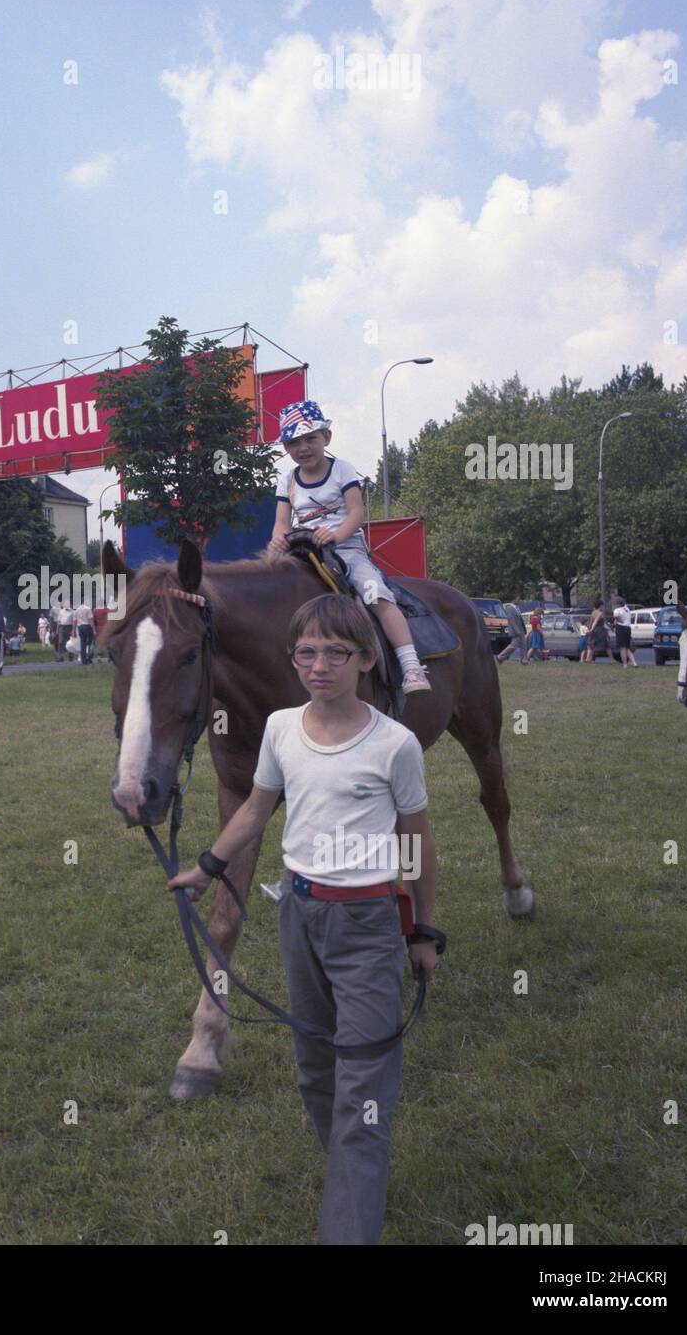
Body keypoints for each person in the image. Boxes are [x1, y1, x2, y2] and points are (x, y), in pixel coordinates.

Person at [168, 593, 440, 1245]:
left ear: (368, 660)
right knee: (316, 1069)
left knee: (362, 1085)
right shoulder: (283, 728)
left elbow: (417, 843)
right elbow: (257, 810)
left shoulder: (396, 744)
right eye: (307, 652)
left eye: (336, 652)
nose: (319, 665)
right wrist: (208, 864)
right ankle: (354, 1174)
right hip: (299, 914)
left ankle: (348, 1216)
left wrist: (423, 927)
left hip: (368, 925)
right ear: (292, 659)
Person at [270, 402, 431, 694]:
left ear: (326, 438)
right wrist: (278, 540)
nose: (303, 447)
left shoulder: (341, 469)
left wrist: (335, 535)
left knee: (374, 592)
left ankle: (411, 666)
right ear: (286, 447)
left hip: (346, 549)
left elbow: (356, 512)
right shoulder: (287, 480)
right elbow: (281, 522)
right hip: (303, 549)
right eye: (294, 442)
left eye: (310, 438)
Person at [613, 597, 637, 668]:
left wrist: (619, 621)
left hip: (621, 628)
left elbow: (616, 616)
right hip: (628, 628)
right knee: (627, 647)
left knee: (622, 648)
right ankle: (634, 663)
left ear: (618, 604)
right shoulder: (627, 609)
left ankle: (625, 664)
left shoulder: (617, 610)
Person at [75, 600, 95, 665]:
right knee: (90, 642)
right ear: (85, 602)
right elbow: (90, 619)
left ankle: (83, 660)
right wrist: (94, 629)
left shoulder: (77, 609)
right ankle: (89, 657)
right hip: (87, 626)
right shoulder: (88, 609)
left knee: (82, 644)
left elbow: (75, 620)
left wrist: (74, 629)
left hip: (80, 627)